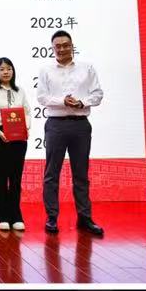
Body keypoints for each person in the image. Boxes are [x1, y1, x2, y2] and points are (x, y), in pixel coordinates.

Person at [38, 29, 105, 236]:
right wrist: (63, 101)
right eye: (57, 46)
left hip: (80, 125)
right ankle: (51, 218)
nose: (62, 49)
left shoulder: (87, 68)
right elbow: (42, 97)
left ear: (72, 46)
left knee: (81, 174)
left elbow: (98, 94)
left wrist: (82, 102)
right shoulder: (46, 70)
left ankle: (85, 218)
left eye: (66, 45)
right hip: (56, 125)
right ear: (52, 48)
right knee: (52, 174)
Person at [0, 57, 33, 230]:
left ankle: (16, 215)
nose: (6, 72)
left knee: (16, 177)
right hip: (0, 135)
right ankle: (2, 215)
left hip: (19, 136)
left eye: (9, 68)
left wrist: (26, 127)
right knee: (2, 177)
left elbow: (27, 112)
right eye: (2, 69)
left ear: (13, 71)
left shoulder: (20, 91)